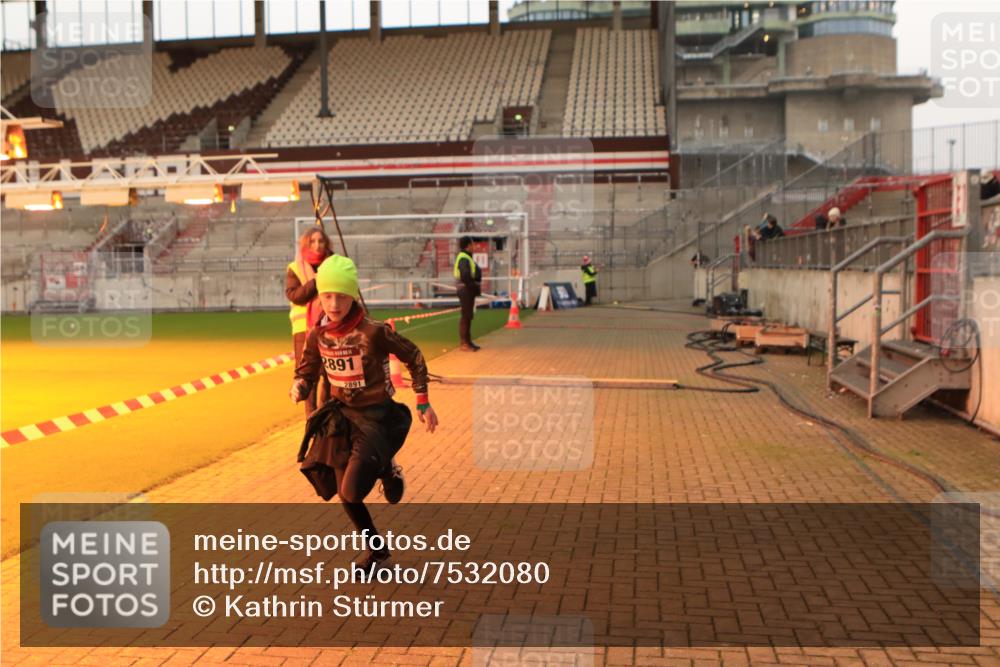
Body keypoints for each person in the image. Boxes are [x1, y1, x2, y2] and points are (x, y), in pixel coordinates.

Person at [291, 255, 439, 575]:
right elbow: (307, 368)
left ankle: (386, 465)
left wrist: (423, 401)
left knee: (353, 489)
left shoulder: (373, 332)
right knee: (345, 494)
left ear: (353, 296)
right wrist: (300, 385)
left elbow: (413, 355)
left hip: (377, 418)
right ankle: (378, 553)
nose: (334, 303)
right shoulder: (319, 335)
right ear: (319, 297)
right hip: (342, 420)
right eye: (327, 295)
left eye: (341, 296)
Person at [286, 227, 333, 415]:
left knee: (331, 374)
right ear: (306, 244)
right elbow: (295, 296)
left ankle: (327, 415)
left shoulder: (334, 263)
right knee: (308, 375)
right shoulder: (295, 268)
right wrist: (316, 281)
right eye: (312, 241)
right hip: (303, 330)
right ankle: (311, 419)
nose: (317, 245)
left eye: (321, 241)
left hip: (331, 326)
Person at [454, 237, 482, 352]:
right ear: (467, 246)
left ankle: (468, 342)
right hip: (466, 289)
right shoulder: (464, 258)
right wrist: (474, 286)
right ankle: (465, 343)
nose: (474, 247)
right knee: (466, 316)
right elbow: (465, 275)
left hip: (467, 289)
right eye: (472, 244)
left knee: (468, 315)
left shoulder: (465, 257)